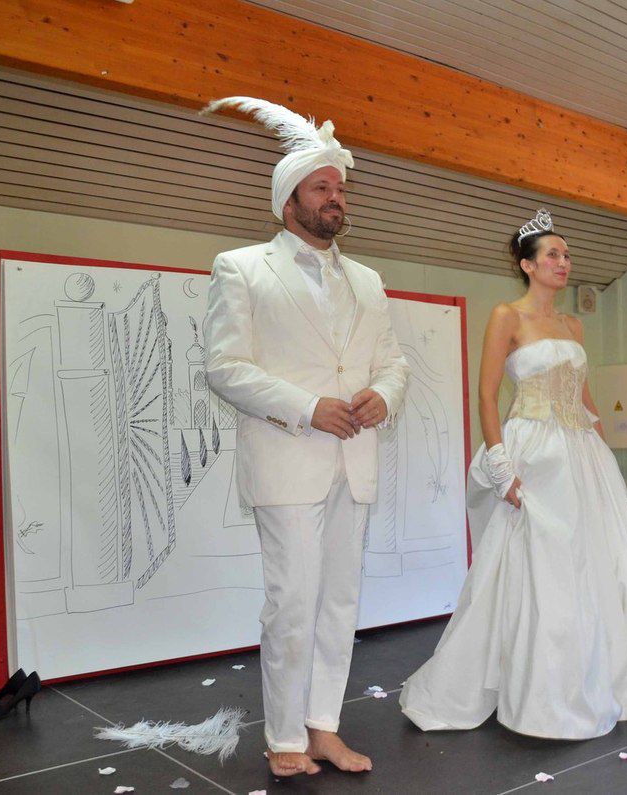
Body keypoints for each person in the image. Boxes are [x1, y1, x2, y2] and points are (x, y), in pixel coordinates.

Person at [399, 209, 627, 739]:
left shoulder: (574, 325)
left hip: (580, 452)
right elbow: (486, 395)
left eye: (566, 255)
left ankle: (595, 680)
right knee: (540, 566)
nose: (563, 263)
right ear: (527, 264)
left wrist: (606, 458)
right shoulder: (507, 316)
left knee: (594, 567)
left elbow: (585, 397)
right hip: (534, 449)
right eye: (552, 255)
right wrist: (500, 468)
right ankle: (537, 691)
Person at [202, 97, 410, 776]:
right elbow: (225, 367)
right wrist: (306, 407)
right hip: (287, 458)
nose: (334, 198)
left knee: (339, 603)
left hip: (356, 459)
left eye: (339, 188)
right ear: (287, 200)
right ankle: (284, 737)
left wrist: (386, 394)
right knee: (292, 603)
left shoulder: (369, 280)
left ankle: (324, 727)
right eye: (320, 188)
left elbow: (394, 362)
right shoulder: (241, 268)